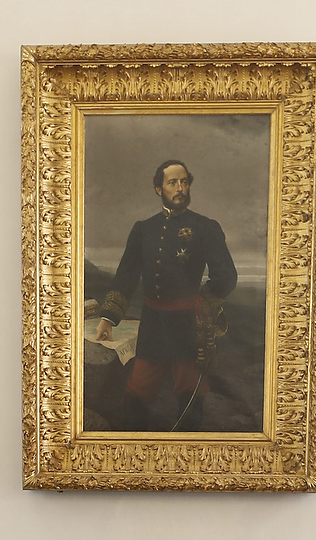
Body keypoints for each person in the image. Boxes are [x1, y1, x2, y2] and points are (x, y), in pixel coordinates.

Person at [95, 159, 237, 428]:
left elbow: (227, 276)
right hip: (153, 326)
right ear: (159, 189)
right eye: (173, 182)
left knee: (190, 396)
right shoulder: (143, 230)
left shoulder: (206, 227)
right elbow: (126, 276)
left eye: (184, 181)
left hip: (188, 326)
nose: (180, 187)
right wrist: (108, 318)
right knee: (137, 392)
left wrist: (202, 305)